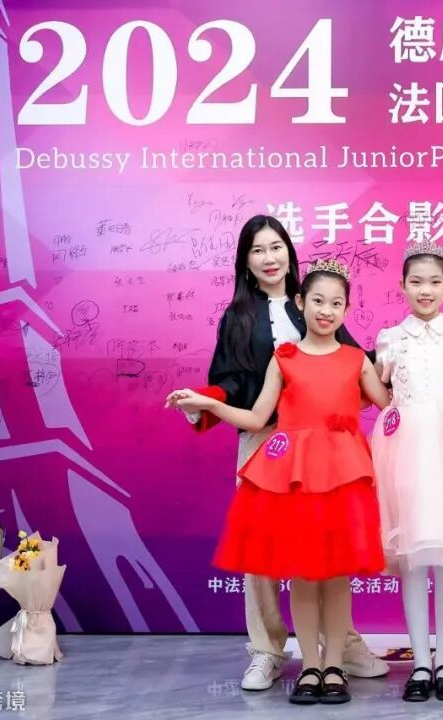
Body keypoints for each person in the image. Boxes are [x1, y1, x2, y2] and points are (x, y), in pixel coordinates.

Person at [174, 215, 387, 691]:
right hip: (264, 441)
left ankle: (343, 647)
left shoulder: (314, 300)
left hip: (324, 451)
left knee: (330, 549)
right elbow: (228, 381)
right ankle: (267, 650)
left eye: (276, 247)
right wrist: (204, 402)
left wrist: (399, 362)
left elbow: (354, 364)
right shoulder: (237, 317)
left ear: (290, 253)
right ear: (245, 261)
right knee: (262, 552)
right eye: (258, 250)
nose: (269, 258)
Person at [370, 241, 443, 702]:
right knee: (413, 557)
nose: (425, 290)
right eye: (416, 281)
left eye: (434, 282)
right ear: (401, 285)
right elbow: (379, 389)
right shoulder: (390, 338)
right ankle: (420, 662)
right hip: (405, 452)